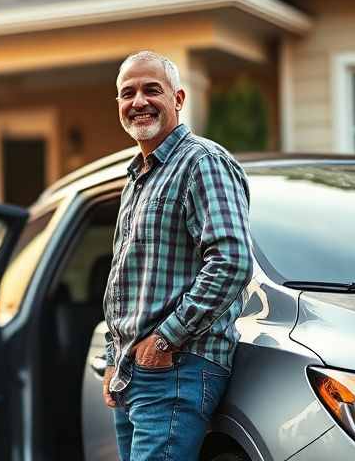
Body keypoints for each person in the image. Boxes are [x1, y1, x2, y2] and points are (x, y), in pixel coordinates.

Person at [101, 51, 253, 460]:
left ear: (179, 99)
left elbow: (231, 262)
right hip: (135, 374)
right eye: (126, 93)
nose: (138, 101)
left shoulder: (202, 162)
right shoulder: (137, 177)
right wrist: (114, 359)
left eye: (152, 90)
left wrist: (165, 340)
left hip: (177, 368)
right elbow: (126, 277)